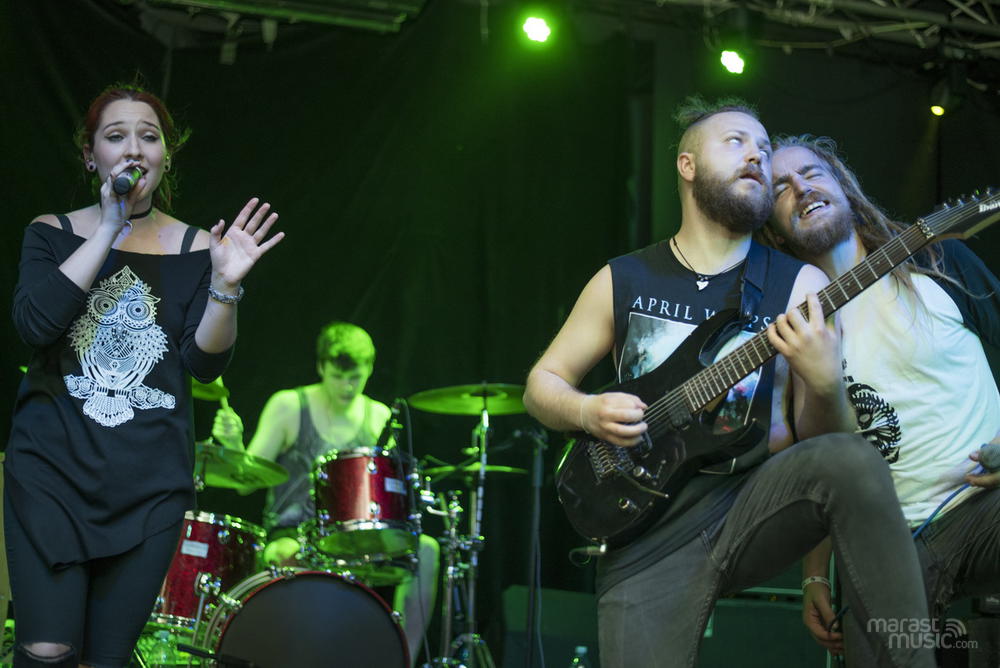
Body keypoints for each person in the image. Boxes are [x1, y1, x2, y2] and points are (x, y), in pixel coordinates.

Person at [522, 96, 937, 668]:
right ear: (687, 165)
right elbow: (541, 384)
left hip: (747, 502)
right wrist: (586, 411)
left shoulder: (799, 285)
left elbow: (823, 446)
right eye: (736, 142)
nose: (756, 156)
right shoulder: (624, 277)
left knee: (854, 459)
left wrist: (823, 384)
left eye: (763, 148)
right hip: (643, 532)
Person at [6, 83, 283, 668]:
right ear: (91, 156)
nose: (134, 148)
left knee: (106, 658)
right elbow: (35, 324)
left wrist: (224, 286)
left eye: (149, 137)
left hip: (149, 485)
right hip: (51, 474)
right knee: (48, 649)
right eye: (117, 136)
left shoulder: (198, 247)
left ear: (165, 156)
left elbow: (204, 363)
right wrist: (109, 228)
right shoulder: (51, 232)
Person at [763, 134, 1000, 664]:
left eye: (812, 173)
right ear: (773, 231)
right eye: (780, 188)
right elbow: (818, 460)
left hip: (986, 504)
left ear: (843, 187)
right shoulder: (798, 330)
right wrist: (814, 573)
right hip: (891, 542)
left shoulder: (938, 258)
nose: (800, 187)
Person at [212, 321, 439, 665]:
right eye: (338, 376)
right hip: (294, 533)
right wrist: (232, 444)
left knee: (427, 550)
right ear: (321, 367)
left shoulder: (378, 415)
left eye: (355, 377)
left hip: (355, 537)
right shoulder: (289, 406)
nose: (347, 386)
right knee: (285, 552)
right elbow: (246, 482)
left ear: (370, 368)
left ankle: (402, 659)